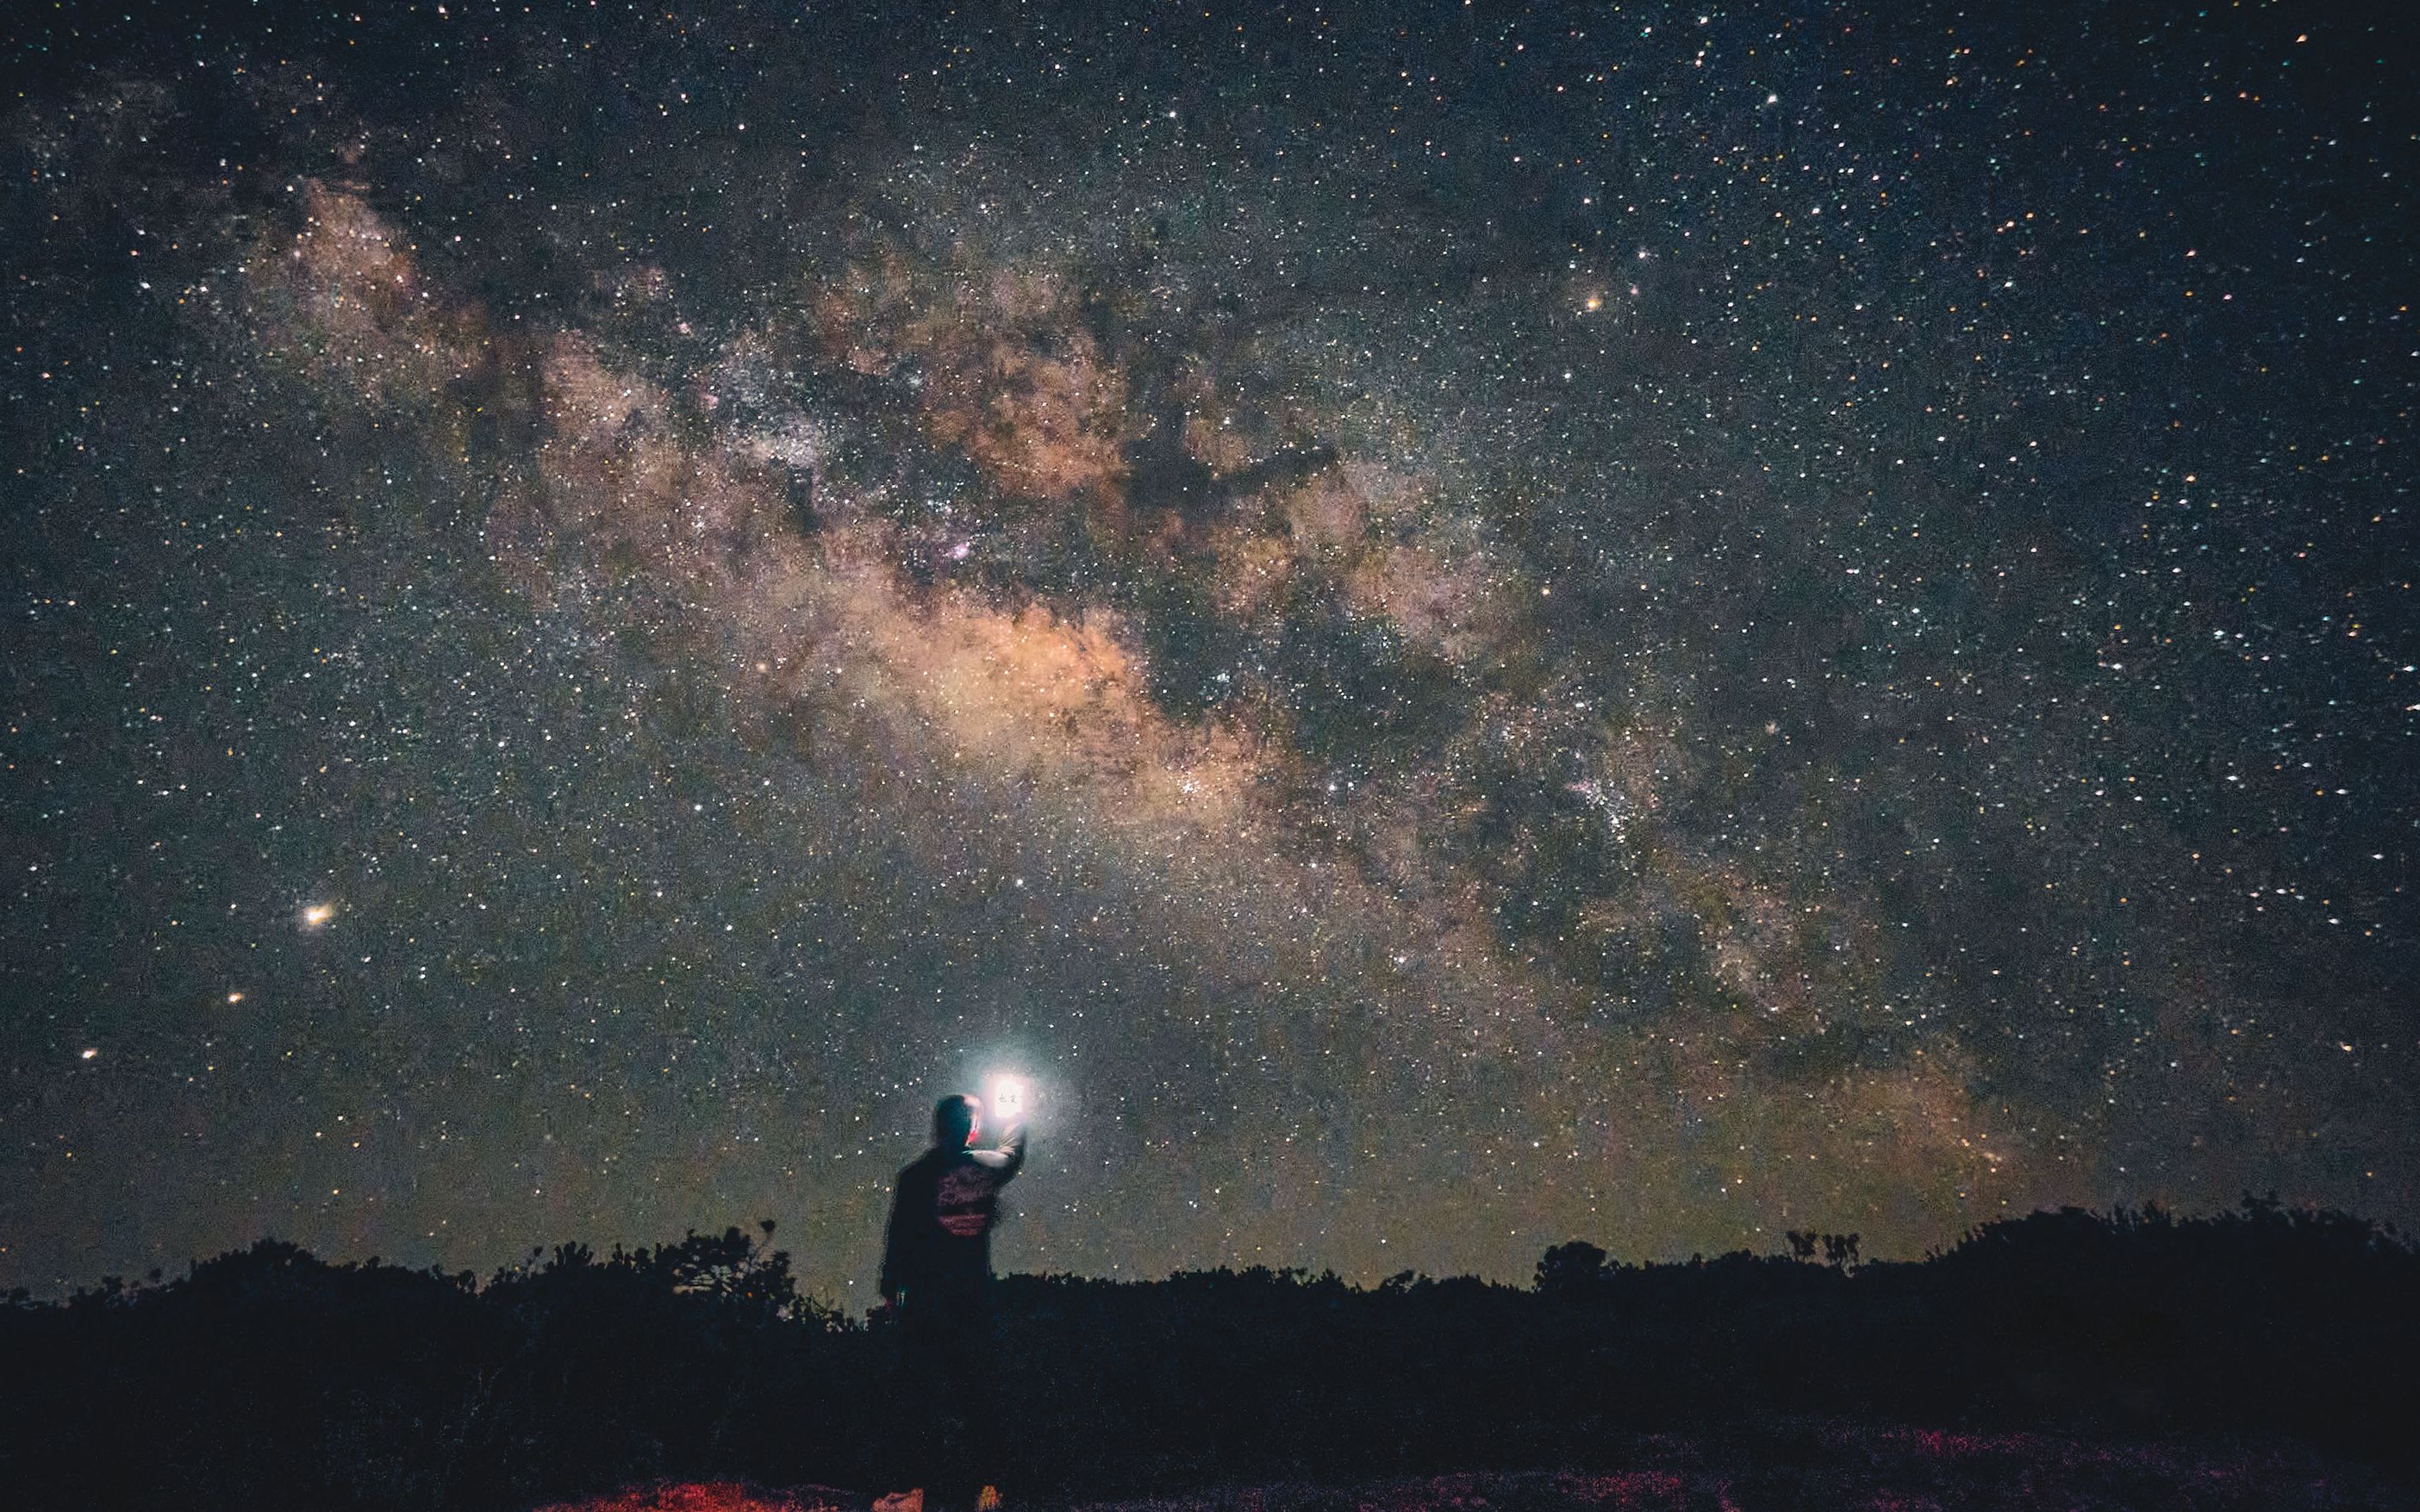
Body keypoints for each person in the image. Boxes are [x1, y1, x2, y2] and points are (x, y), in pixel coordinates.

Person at [877, 1092, 1028, 1512]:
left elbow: (899, 1237)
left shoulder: (915, 1176)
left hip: (926, 1304)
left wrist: (892, 1292)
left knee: (918, 1398)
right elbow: (1013, 1153)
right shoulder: (983, 1165)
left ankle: (913, 1492)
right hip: (972, 1302)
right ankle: (991, 1487)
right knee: (978, 1394)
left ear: (937, 1125)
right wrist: (1015, 1115)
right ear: (973, 1127)